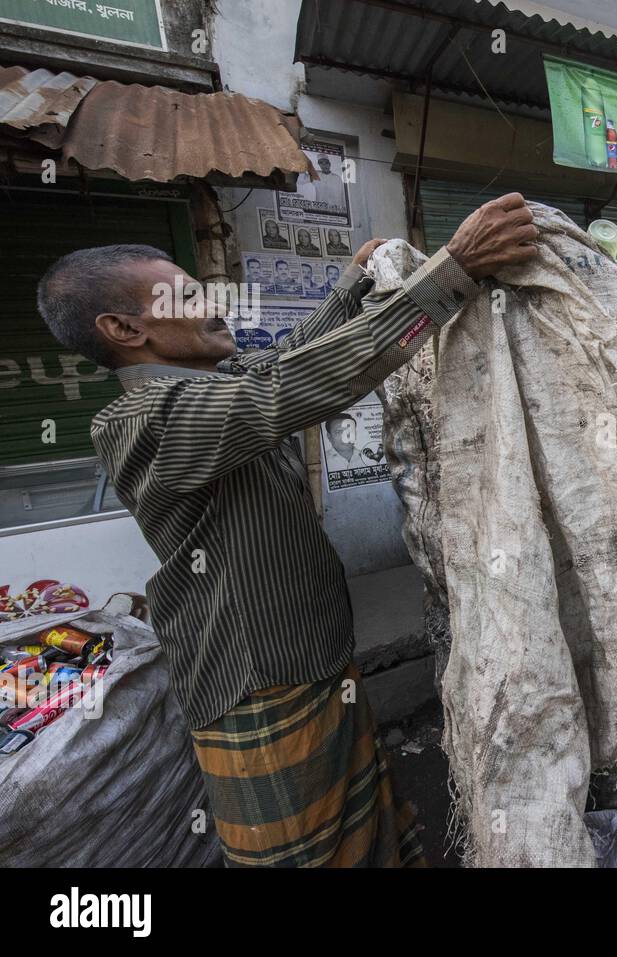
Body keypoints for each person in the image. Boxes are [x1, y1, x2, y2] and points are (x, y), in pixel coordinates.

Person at [36, 192, 540, 867]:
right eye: (187, 297)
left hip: (317, 664)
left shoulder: (217, 380)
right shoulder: (143, 420)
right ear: (126, 330)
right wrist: (452, 271)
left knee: (365, 836)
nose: (214, 305)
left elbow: (288, 359)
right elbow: (294, 387)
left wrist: (353, 284)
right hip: (259, 693)